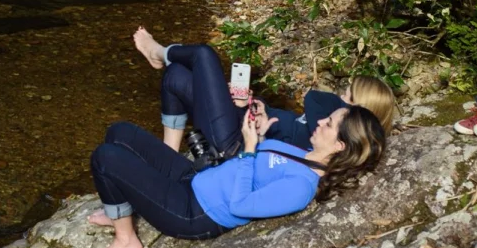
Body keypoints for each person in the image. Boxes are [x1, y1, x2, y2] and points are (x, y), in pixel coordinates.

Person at [86, 103, 386, 248]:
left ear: (339, 145)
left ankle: (126, 240)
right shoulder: (303, 153)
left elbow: (240, 205)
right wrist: (260, 135)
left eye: (329, 124)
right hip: (194, 179)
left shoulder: (302, 187)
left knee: (106, 157)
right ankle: (119, 206)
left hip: (193, 211)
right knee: (120, 131)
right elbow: (257, 163)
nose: (320, 121)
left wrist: (250, 149)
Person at [131, 27, 396, 156]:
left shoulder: (337, 134)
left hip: (235, 147)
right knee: (176, 76)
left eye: (347, 96)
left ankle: (158, 52)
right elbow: (289, 128)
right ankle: (169, 155)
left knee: (203, 55)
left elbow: (309, 105)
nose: (338, 97)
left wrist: (258, 134)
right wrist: (259, 108)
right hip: (241, 131)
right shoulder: (326, 121)